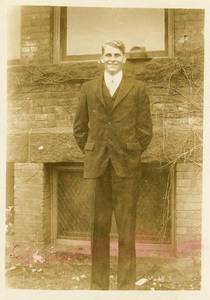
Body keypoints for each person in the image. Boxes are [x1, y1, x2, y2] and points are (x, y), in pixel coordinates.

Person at [73, 40, 153, 290]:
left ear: (124, 59)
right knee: (99, 229)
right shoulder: (88, 88)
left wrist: (130, 152)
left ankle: (126, 287)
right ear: (101, 58)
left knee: (127, 230)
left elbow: (145, 130)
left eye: (117, 55)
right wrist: (94, 151)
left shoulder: (137, 88)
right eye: (108, 54)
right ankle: (98, 287)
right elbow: (79, 129)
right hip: (98, 167)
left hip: (126, 168)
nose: (112, 58)